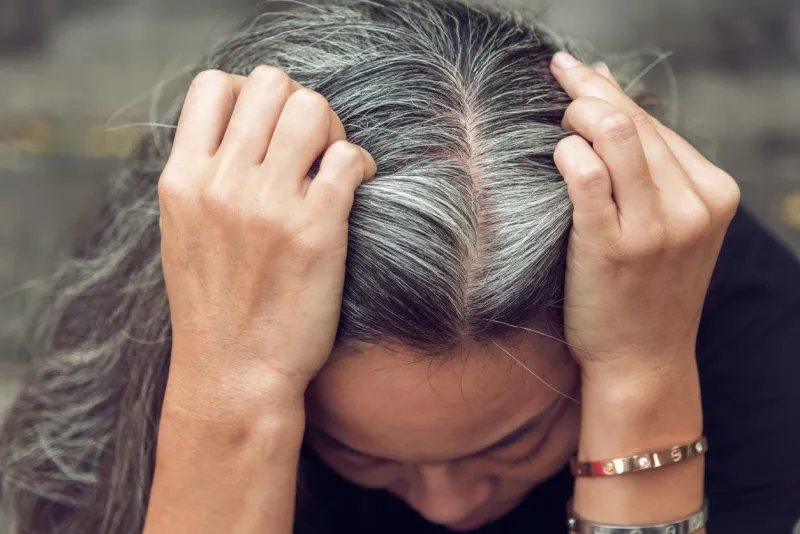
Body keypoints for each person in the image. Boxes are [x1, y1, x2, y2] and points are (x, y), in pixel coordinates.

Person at [1, 0, 799, 532]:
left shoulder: (746, 334)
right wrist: (228, 389)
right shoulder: (168, 335)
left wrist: (642, 376)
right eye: (362, 453)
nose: (450, 509)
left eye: (512, 443)